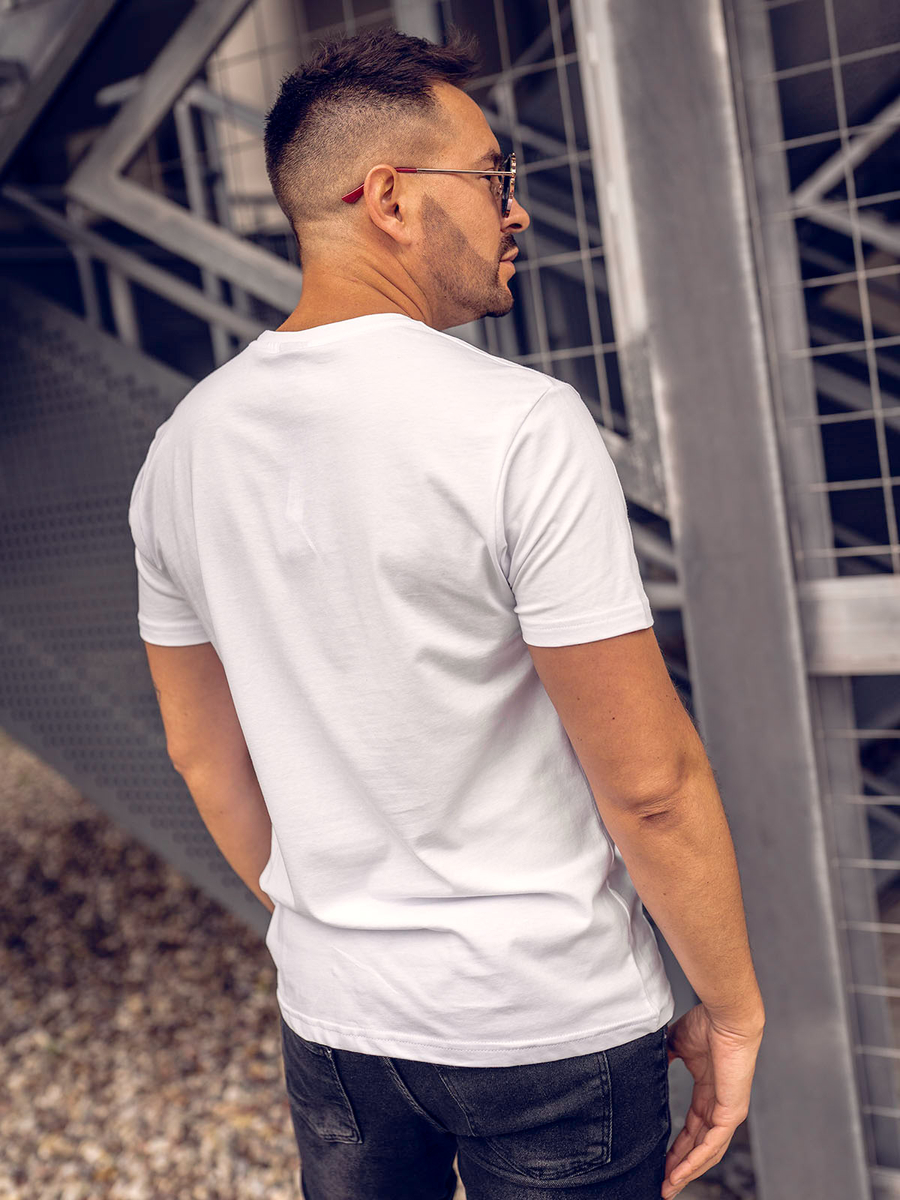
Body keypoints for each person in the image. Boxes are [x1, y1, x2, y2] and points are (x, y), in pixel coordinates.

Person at [129, 22, 764, 1200]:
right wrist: (731, 1011)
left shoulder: (183, 450)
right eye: (489, 175)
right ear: (389, 197)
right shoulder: (519, 426)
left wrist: (345, 931)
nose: (515, 210)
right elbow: (651, 786)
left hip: (337, 1025)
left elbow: (200, 752)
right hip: (550, 1020)